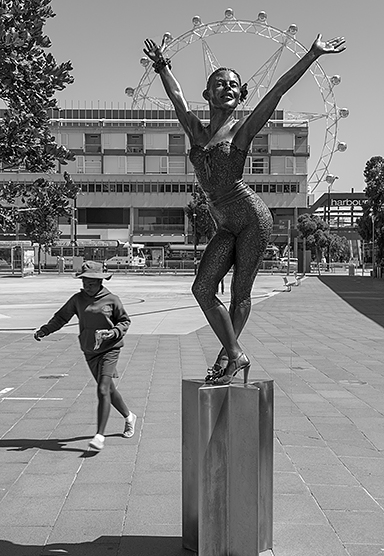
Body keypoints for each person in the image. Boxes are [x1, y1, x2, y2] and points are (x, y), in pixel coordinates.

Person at [143, 33, 345, 385]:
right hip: (225, 224)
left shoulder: (242, 131)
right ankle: (235, 354)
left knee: (240, 294)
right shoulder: (196, 130)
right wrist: (162, 67)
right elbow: (176, 97)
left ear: (241, 95)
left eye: (234, 85)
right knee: (202, 289)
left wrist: (313, 54)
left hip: (252, 219)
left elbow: (278, 90)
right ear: (207, 94)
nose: (227, 88)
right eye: (218, 84)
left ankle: (228, 358)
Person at [34, 260, 136, 451]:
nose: (87, 286)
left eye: (91, 283)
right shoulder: (77, 300)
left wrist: (113, 332)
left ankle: (99, 435)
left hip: (110, 348)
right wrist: (45, 330)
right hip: (90, 350)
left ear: (100, 282)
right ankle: (129, 416)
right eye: (84, 283)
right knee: (109, 390)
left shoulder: (112, 299)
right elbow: (61, 317)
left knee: (103, 389)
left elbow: (124, 321)